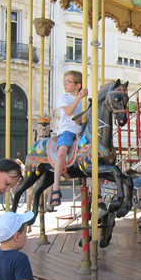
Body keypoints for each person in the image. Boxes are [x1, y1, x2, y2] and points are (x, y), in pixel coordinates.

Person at [51, 70, 87, 207]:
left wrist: (84, 119)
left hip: (82, 131)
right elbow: (68, 112)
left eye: (68, 81)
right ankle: (56, 188)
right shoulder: (64, 97)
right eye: (64, 81)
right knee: (62, 151)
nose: (65, 84)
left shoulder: (85, 101)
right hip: (67, 130)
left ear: (77, 85)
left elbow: (87, 116)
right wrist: (79, 97)